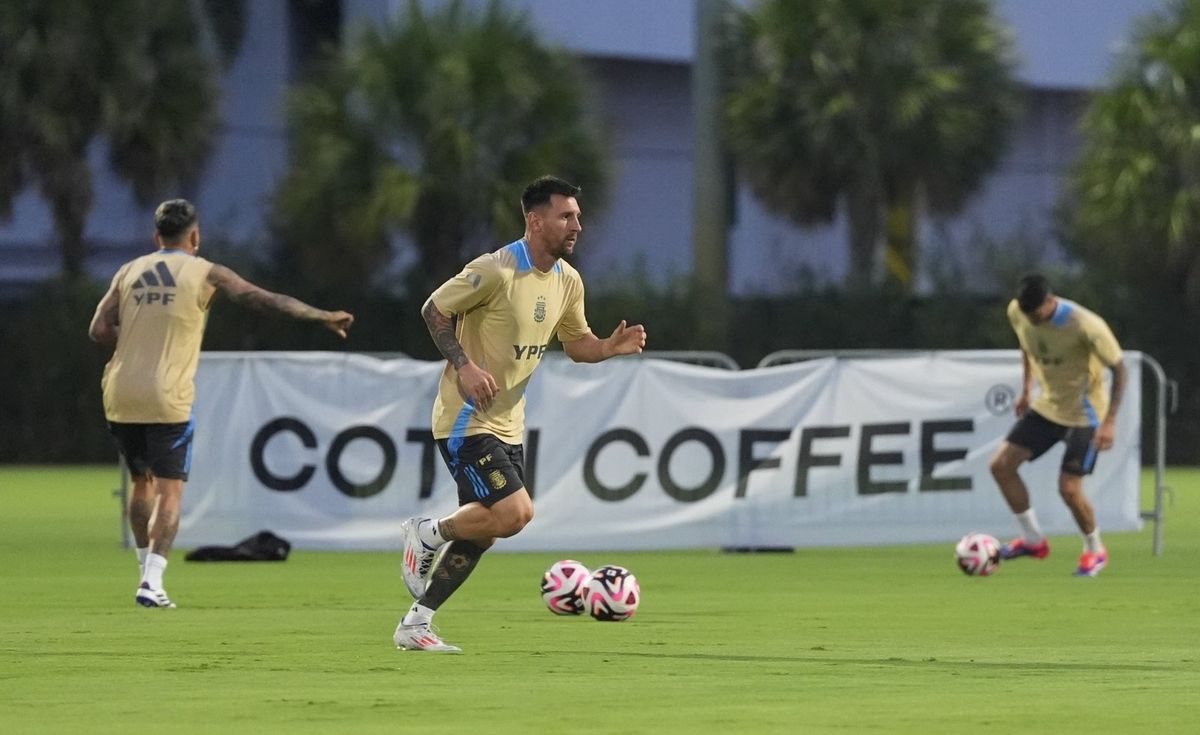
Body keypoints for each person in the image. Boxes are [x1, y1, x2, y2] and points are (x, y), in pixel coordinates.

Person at [394, 176, 647, 652]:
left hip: (509, 422)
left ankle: (416, 623)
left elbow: (576, 346)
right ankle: (427, 532)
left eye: (577, 215)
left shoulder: (569, 281)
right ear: (536, 220)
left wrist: (609, 348)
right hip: (466, 418)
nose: (577, 224)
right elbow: (433, 309)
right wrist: (464, 365)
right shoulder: (496, 269)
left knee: (486, 530)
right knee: (515, 513)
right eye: (565, 215)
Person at [88, 199, 354, 608]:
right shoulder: (205, 271)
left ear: (156, 237)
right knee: (170, 491)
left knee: (141, 482)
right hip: (167, 394)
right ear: (194, 236)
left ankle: (144, 572)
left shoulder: (129, 271)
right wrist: (321, 317)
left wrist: (138, 331)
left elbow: (99, 328)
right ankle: (153, 582)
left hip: (120, 390)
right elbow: (260, 299)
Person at [988, 274, 1126, 577]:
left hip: (1085, 415)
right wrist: (1026, 389)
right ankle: (1033, 541)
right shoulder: (1018, 311)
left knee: (1069, 490)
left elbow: (1120, 369)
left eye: (1036, 314)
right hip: (1048, 406)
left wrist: (1110, 421)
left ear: (1050, 302)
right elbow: (1027, 345)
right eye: (1027, 315)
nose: (1032, 320)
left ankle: (1095, 550)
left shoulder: (1086, 325)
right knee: (1000, 466)